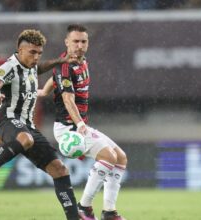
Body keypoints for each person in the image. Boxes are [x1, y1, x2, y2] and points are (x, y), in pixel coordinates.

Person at [0, 29, 82, 220]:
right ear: (20, 50)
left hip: (28, 126)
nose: (37, 57)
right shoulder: (8, 67)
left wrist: (61, 61)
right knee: (25, 138)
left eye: (39, 53)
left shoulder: (31, 65)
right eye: (32, 52)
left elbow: (39, 68)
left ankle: (73, 217)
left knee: (60, 169)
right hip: (8, 120)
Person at [38, 24, 128, 220]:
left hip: (79, 124)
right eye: (75, 41)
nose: (79, 45)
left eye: (83, 41)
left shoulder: (81, 60)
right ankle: (84, 207)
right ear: (67, 42)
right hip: (69, 128)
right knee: (108, 158)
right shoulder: (65, 67)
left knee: (121, 157)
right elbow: (68, 100)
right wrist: (80, 125)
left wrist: (45, 91)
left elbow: (55, 78)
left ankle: (109, 212)